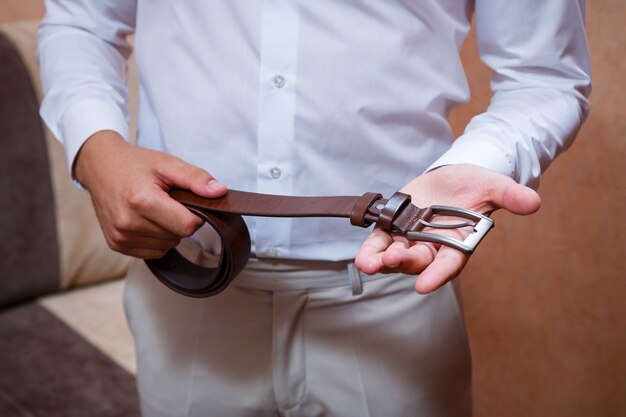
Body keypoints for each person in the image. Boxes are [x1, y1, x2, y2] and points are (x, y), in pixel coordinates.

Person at [37, 1, 591, 416]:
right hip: (188, 285)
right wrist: (95, 149)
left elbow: (543, 76)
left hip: (393, 295)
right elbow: (81, 22)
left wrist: (471, 165)